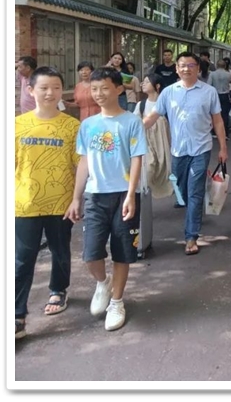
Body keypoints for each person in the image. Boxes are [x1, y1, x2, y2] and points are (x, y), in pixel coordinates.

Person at [66, 67, 147, 332]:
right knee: (91, 253)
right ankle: (103, 283)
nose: (98, 93)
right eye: (94, 89)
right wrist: (76, 198)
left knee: (123, 251)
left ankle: (117, 301)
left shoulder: (131, 122)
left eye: (104, 88)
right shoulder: (88, 125)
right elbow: (84, 162)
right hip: (95, 195)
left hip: (124, 194)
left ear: (118, 89)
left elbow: (137, 159)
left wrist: (131, 194)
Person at [14, 66, 81, 340]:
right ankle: (17, 314)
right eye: (43, 88)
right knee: (22, 259)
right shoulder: (16, 125)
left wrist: (77, 199)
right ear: (31, 90)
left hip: (61, 203)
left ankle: (58, 290)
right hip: (24, 203)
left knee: (60, 250)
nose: (50, 93)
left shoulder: (72, 126)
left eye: (55, 87)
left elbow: (80, 166)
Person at [142, 52, 227, 256]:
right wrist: (131, 131)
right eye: (182, 65)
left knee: (194, 191)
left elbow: (217, 121)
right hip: (178, 151)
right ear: (177, 69)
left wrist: (223, 148)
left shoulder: (209, 92)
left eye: (190, 65)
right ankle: (194, 209)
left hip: (201, 148)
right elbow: (153, 117)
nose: (186, 69)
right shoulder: (169, 92)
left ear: (198, 68)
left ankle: (191, 236)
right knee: (181, 189)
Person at [134, 74, 174, 200]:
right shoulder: (141, 104)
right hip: (146, 140)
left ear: (157, 86)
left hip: (163, 141)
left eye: (147, 82)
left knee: (164, 167)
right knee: (148, 167)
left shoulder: (167, 104)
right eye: (143, 82)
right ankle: (142, 195)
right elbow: (135, 122)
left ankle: (175, 192)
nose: (143, 84)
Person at [208, 59, 231, 138]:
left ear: (216, 65)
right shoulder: (228, 74)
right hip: (225, 95)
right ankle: (225, 133)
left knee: (214, 113)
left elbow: (209, 85)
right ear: (225, 66)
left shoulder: (212, 74)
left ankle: (215, 132)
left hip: (215, 95)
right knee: (225, 114)